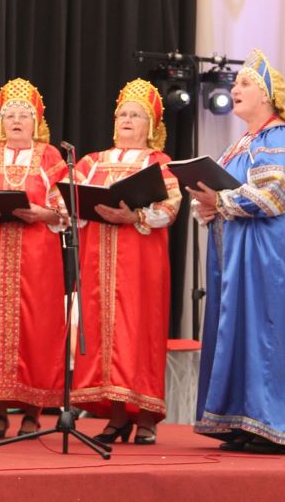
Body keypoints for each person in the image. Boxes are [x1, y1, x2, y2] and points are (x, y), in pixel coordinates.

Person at [189, 49, 285, 454]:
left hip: (269, 259)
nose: (234, 89)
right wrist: (207, 205)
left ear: (267, 95)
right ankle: (241, 419)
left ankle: (273, 423)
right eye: (235, 84)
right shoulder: (239, 145)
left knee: (267, 334)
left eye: (245, 83)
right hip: (237, 257)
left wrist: (220, 201)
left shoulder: (282, 138)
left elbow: (275, 194)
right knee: (240, 333)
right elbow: (222, 195)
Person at [69, 79, 181, 446]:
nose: (127, 120)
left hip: (141, 263)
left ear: (152, 126)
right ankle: (116, 416)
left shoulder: (159, 162)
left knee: (139, 331)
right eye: (122, 115)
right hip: (97, 262)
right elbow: (66, 202)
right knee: (102, 334)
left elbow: (170, 208)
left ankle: (146, 416)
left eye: (136, 115)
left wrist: (135, 216)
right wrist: (79, 207)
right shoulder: (91, 162)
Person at [0, 78, 68, 439]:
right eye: (9, 115)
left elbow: (67, 209)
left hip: (39, 257)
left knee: (37, 327)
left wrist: (43, 213)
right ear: (0, 121)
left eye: (24, 115)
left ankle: (34, 411)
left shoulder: (50, 156)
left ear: (37, 122)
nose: (16, 121)